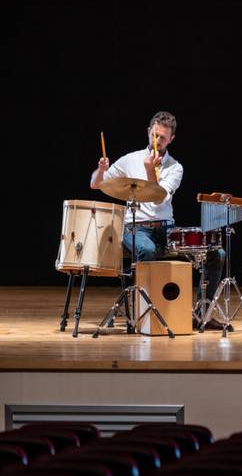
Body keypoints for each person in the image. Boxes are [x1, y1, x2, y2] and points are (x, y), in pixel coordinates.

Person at [90, 110, 225, 327]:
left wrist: (150, 170)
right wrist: (101, 170)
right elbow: (96, 184)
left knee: (216, 253)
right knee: (148, 250)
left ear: (171, 139)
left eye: (163, 138)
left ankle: (202, 314)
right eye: (155, 135)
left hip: (166, 227)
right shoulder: (130, 160)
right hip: (136, 228)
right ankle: (147, 315)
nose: (157, 141)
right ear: (148, 132)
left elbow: (159, 200)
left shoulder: (175, 167)